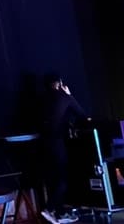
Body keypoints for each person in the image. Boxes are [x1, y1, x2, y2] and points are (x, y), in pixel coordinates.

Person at [40, 74, 90, 224]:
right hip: (57, 142)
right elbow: (82, 115)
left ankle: (59, 213)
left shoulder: (42, 99)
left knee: (53, 179)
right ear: (59, 84)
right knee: (63, 178)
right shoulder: (63, 97)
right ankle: (49, 208)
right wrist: (69, 95)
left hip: (43, 144)